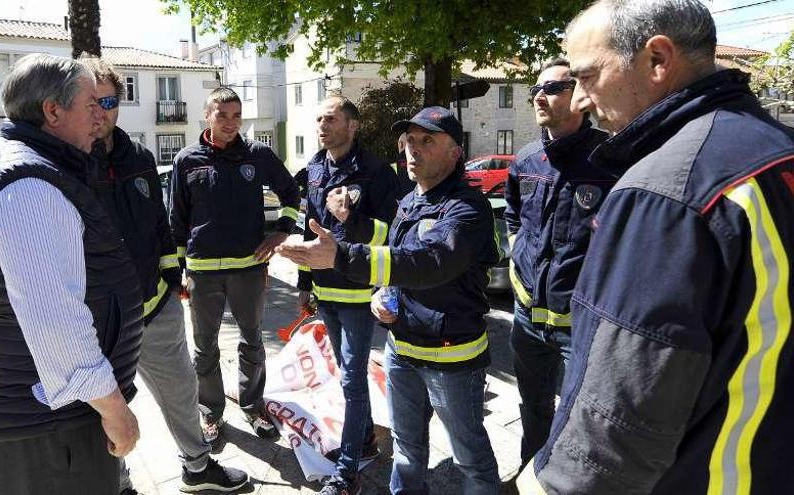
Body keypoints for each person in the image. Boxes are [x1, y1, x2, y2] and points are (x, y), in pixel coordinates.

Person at [516, 1, 794, 494]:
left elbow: (621, 414)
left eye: (586, 77)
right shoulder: (776, 150)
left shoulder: (666, 190)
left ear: (657, 60)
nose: (580, 100)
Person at [278, 107, 501, 495]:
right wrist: (384, 293)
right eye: (409, 141)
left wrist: (341, 256)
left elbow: (429, 262)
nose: (413, 150)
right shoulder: (412, 199)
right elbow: (393, 252)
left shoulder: (468, 207)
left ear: (455, 152)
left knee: (471, 459)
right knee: (407, 450)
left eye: (427, 141)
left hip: (451, 357)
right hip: (401, 348)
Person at [0, 53, 141, 494]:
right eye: (91, 103)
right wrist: (116, 411)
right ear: (52, 111)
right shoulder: (28, 187)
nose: (101, 116)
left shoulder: (34, 168)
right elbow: (56, 322)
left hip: (50, 415)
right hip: (46, 424)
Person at [83, 58, 248, 495]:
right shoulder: (65, 161)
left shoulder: (138, 156)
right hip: (95, 321)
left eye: (109, 100)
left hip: (154, 308)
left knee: (181, 391)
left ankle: (197, 468)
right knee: (101, 410)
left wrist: (173, 280)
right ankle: (116, 484)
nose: (100, 111)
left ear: (119, 103)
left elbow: (161, 224)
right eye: (91, 100)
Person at [169, 87, 300, 443]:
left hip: (248, 270)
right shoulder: (187, 160)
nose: (230, 123)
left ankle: (253, 405)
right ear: (207, 115)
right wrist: (178, 271)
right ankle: (210, 413)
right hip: (202, 274)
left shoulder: (257, 155)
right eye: (222, 115)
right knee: (205, 347)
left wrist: (281, 232)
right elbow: (177, 222)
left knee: (252, 341)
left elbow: (292, 194)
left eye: (236, 116)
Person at [504, 58, 613, 475]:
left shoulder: (610, 157)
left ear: (581, 95)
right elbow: (512, 213)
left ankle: (567, 481)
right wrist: (516, 249)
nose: (539, 95)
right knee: (532, 405)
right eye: (536, 88)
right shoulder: (528, 159)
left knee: (580, 413)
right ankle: (530, 473)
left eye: (552, 87)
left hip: (579, 323)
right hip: (526, 318)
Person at [296, 95, 398, 495]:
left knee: (352, 381)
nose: (322, 125)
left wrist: (350, 220)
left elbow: (392, 231)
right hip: (326, 290)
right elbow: (310, 233)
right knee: (347, 375)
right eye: (319, 118)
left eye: (331, 118)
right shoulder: (315, 168)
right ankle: (368, 440)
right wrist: (305, 287)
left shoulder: (375, 171)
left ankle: (346, 474)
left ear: (352, 126)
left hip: (358, 294)